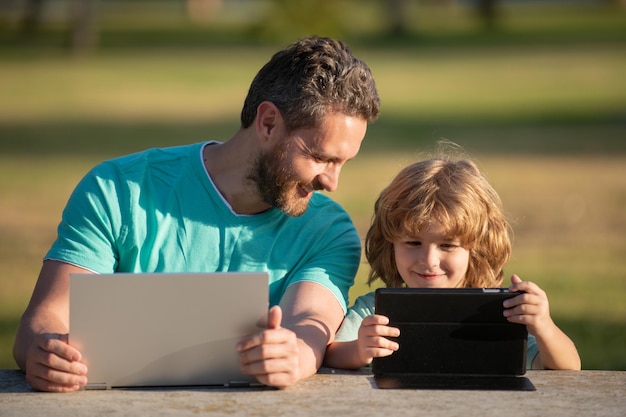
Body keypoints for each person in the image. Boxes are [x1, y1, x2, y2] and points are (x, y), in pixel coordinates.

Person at [13, 35, 381, 392]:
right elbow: (46, 319)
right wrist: (43, 353)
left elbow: (308, 328)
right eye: (320, 157)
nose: (331, 182)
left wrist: (292, 357)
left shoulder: (328, 231)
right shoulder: (119, 189)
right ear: (268, 123)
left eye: (343, 163)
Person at [324, 156, 581, 371]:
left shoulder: (498, 312)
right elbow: (331, 354)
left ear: (476, 249)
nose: (429, 261)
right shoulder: (377, 310)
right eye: (413, 243)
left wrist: (544, 326)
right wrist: (360, 350)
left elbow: (568, 368)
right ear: (390, 244)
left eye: (447, 245)